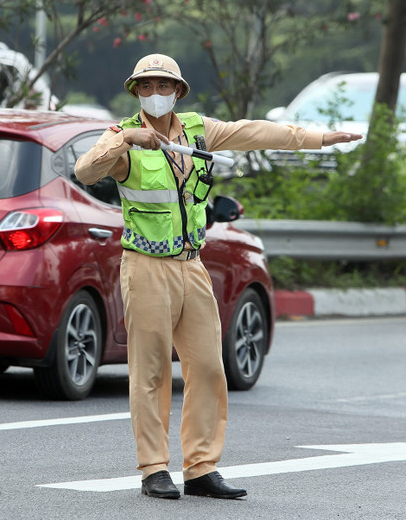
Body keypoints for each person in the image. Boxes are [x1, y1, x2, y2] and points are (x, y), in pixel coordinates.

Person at [74, 53, 362, 500]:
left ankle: (201, 468)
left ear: (178, 91)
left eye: (163, 86)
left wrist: (319, 138)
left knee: (208, 368)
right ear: (135, 91)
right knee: (150, 372)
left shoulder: (196, 130)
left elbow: (255, 132)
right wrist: (126, 138)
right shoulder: (121, 138)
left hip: (192, 264)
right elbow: (85, 171)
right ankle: (154, 469)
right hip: (146, 268)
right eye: (146, 87)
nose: (154, 94)